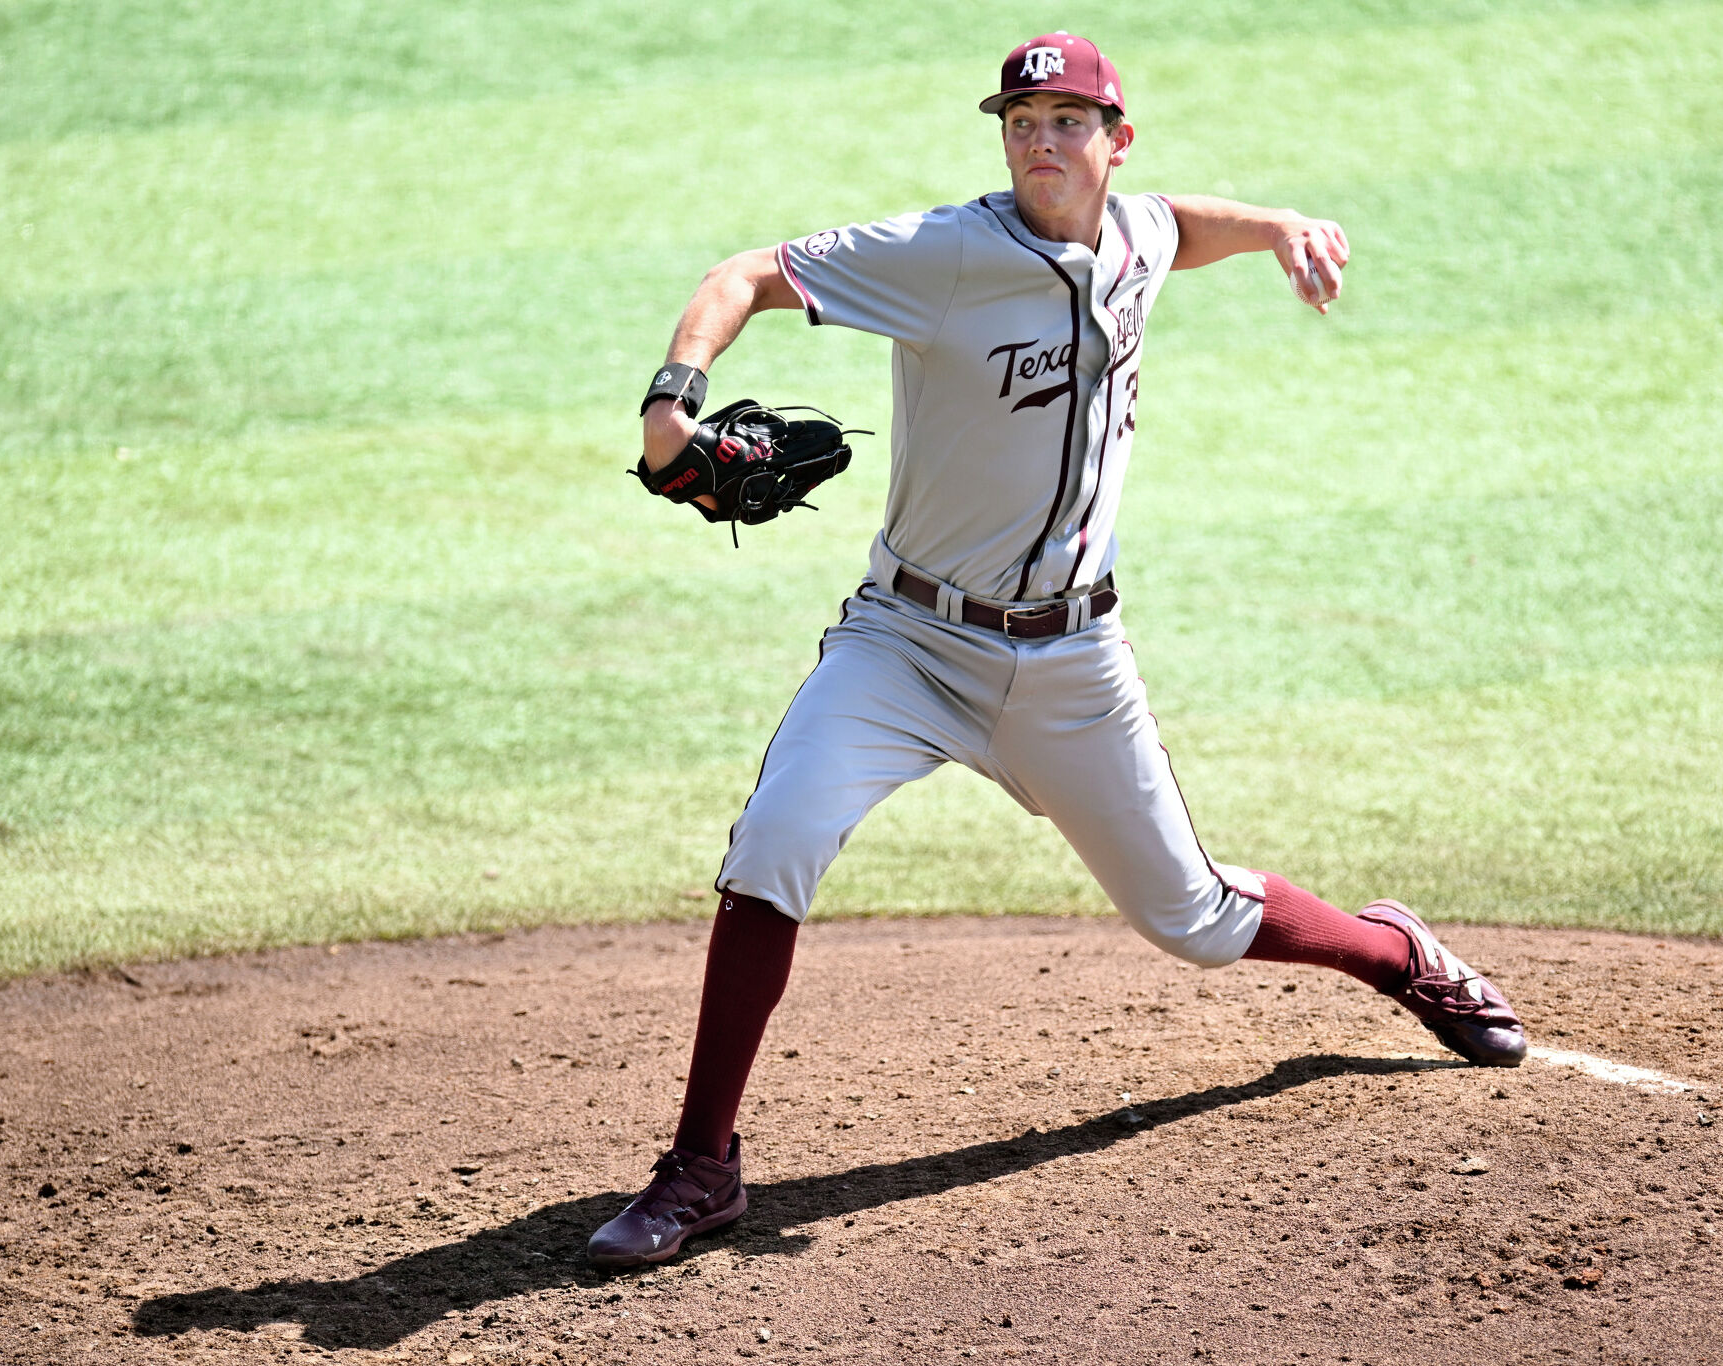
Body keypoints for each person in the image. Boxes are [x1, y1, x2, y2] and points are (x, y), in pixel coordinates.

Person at [588, 33, 1527, 1268]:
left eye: (1068, 120)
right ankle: (701, 1167)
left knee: (1191, 919)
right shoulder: (945, 254)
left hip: (1073, 666)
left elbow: (1175, 228)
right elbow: (744, 274)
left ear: (1113, 140)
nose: (1041, 140)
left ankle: (1393, 952)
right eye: (1021, 119)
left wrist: (1282, 224)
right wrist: (672, 404)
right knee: (773, 842)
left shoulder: (1132, 233)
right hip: (906, 645)